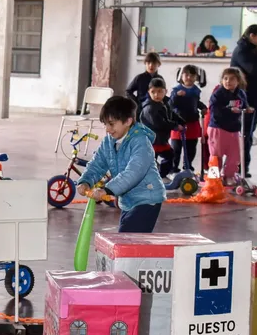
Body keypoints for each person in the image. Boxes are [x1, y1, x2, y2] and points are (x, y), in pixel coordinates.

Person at [77, 96, 165, 233]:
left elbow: (134, 172)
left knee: (127, 239)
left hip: (147, 198)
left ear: (128, 121)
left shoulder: (141, 142)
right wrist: (86, 181)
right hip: (128, 201)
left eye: (111, 124)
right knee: (129, 241)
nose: (107, 129)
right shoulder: (109, 142)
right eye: (105, 124)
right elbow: (97, 164)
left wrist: (107, 189)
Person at [230, 24, 257, 177]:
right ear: (251, 36)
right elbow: (253, 68)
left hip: (255, 95)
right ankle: (240, 166)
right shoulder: (242, 50)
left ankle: (243, 166)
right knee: (244, 132)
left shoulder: (251, 49)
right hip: (245, 97)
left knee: (249, 132)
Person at [208, 68, 252, 184]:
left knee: (235, 155)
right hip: (218, 128)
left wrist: (247, 109)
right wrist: (229, 111)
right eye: (225, 78)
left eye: (232, 79)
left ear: (238, 81)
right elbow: (214, 110)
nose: (228, 81)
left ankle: (229, 175)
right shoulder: (218, 94)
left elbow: (244, 105)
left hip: (234, 129)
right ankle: (214, 177)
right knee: (216, 155)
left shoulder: (241, 93)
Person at [140, 78, 184, 178]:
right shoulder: (150, 108)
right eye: (153, 92)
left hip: (160, 139)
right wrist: (175, 126)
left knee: (169, 155)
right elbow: (159, 123)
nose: (156, 95)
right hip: (151, 140)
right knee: (151, 160)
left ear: (165, 91)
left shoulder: (164, 104)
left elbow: (171, 114)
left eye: (159, 91)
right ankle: (152, 177)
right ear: (149, 92)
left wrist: (181, 121)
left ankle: (160, 175)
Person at [169, 64, 205, 172]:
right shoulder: (176, 89)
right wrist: (176, 96)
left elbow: (196, 103)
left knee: (191, 148)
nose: (189, 77)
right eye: (186, 75)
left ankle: (187, 166)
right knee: (176, 148)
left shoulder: (196, 90)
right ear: (181, 76)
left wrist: (203, 107)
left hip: (192, 122)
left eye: (192, 75)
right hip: (178, 122)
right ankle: (174, 167)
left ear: (196, 77)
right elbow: (170, 104)